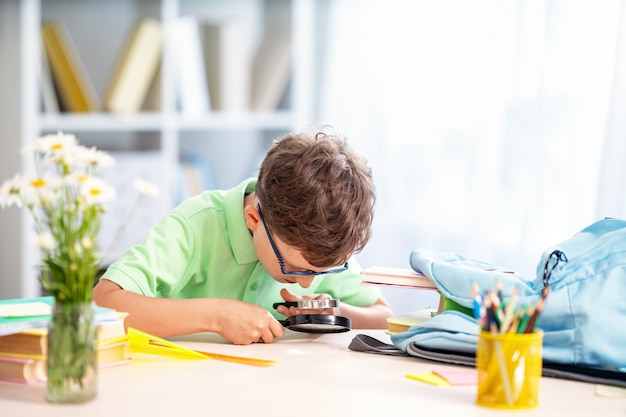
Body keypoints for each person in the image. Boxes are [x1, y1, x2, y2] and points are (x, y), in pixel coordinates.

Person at [93, 127, 392, 345]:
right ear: (253, 220)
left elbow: (383, 316)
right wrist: (215, 315)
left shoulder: (323, 239)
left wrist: (334, 311)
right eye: (294, 268)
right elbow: (103, 306)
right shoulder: (194, 226)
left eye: (323, 271)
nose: (307, 282)